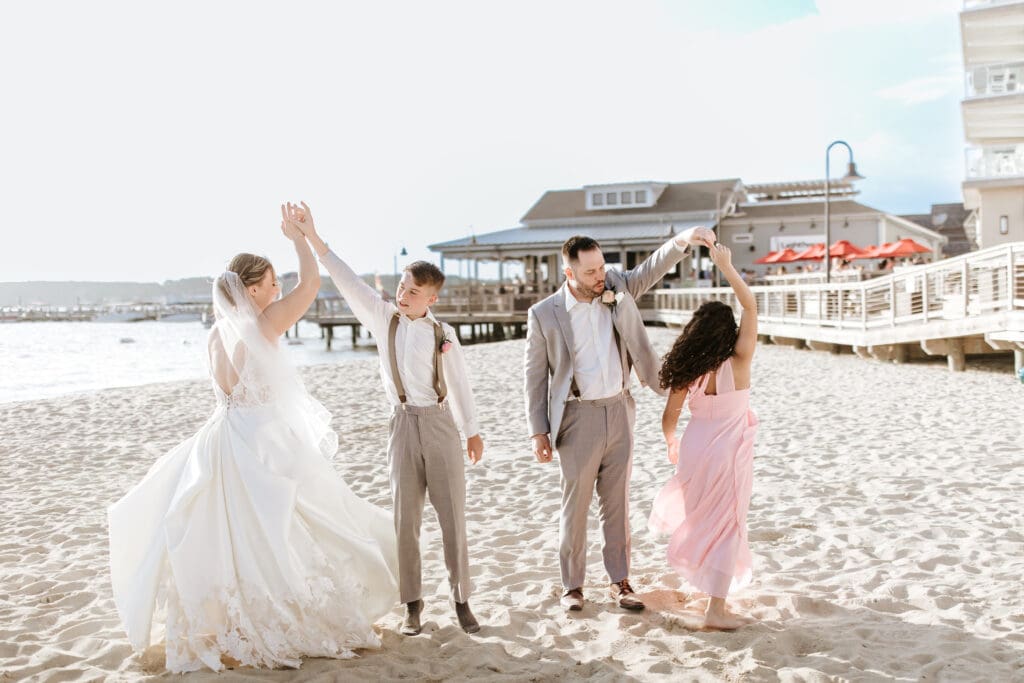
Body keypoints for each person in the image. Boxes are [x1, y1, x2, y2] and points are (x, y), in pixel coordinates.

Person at [108, 205, 399, 673]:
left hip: (224, 439)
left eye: (276, 284)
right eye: (269, 284)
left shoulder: (213, 336)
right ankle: (290, 617)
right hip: (264, 440)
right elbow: (311, 286)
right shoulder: (262, 325)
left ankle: (229, 623)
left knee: (235, 537)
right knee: (295, 527)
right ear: (249, 291)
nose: (277, 290)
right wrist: (301, 238)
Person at [290, 203, 484, 636]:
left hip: (439, 425)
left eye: (413, 291)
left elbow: (461, 385)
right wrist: (312, 237)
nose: (403, 295)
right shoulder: (382, 319)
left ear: (431, 298)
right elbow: (346, 278)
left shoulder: (443, 335)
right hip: (401, 425)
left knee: (453, 517)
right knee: (405, 519)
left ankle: (461, 599)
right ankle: (412, 603)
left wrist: (471, 431)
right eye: (402, 286)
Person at [524, 226, 715, 613]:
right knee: (574, 506)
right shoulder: (544, 314)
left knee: (617, 505)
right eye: (591, 272)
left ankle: (620, 581)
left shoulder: (616, 287)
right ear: (569, 273)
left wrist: (683, 240)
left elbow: (652, 267)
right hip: (576, 416)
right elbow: (534, 375)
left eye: (602, 267)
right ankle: (572, 586)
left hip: (621, 409)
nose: (601, 277)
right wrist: (538, 431)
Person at [648, 241, 759, 631]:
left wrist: (671, 442)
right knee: (728, 522)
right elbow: (750, 306)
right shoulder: (740, 360)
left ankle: (705, 587)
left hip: (695, 447)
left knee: (701, 519)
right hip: (729, 451)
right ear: (726, 333)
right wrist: (726, 268)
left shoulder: (686, 370)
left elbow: (669, 418)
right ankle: (715, 608)